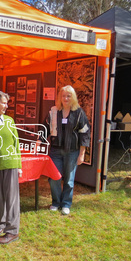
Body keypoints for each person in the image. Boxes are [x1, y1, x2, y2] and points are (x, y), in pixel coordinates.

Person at [42, 85, 90, 215]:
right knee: (54, 178)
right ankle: (56, 202)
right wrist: (38, 141)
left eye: (68, 96)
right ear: (60, 97)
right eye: (63, 96)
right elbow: (45, 128)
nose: (66, 98)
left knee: (69, 179)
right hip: (55, 151)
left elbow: (84, 133)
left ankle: (66, 204)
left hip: (72, 151)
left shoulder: (79, 113)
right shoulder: (53, 111)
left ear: (72, 97)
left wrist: (82, 154)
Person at [0, 91, 22, 245]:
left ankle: (12, 230)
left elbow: (16, 143)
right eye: (3, 102)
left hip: (10, 163)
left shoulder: (9, 120)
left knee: (11, 198)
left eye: (7, 103)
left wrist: (19, 165)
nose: (6, 106)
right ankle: (2, 224)